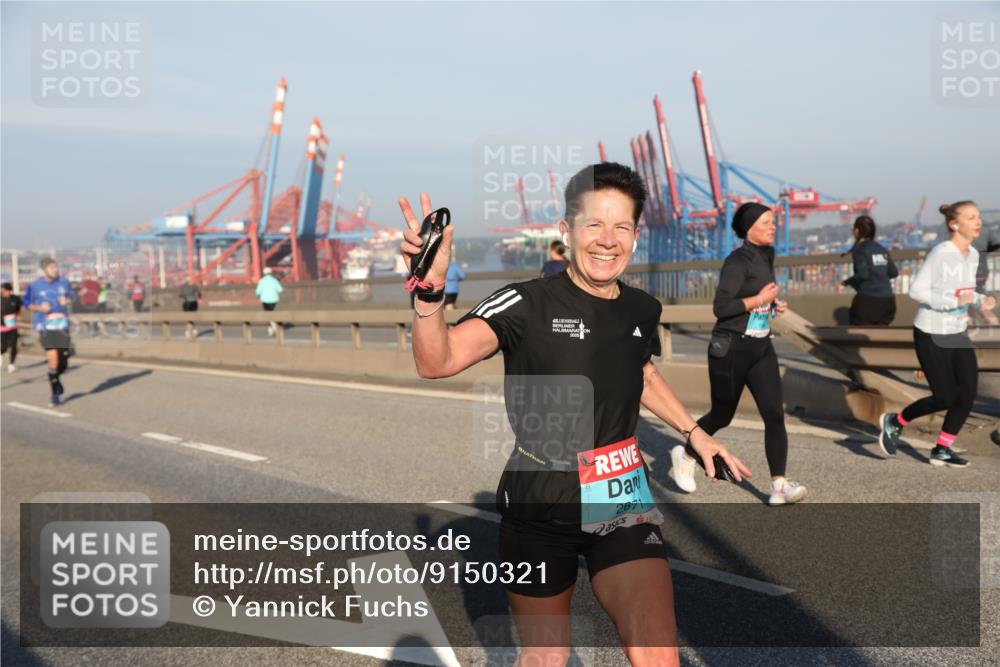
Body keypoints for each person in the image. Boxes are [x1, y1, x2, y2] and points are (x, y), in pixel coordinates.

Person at [399, 163, 750, 666]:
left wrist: (695, 432)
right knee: (546, 658)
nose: (608, 240)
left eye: (622, 227)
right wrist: (430, 292)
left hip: (619, 490)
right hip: (539, 498)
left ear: (635, 235)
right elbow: (437, 361)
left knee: (658, 655)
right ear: (566, 231)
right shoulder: (523, 303)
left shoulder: (641, 309)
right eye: (594, 225)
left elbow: (640, 371)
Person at [670, 202, 806, 506]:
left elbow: (756, 300)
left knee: (774, 415)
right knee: (722, 415)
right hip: (730, 348)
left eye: (773, 222)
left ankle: (779, 485)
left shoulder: (767, 254)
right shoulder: (736, 260)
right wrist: (759, 298)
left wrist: (771, 306)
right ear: (749, 228)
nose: (773, 227)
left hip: (760, 346)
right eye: (767, 223)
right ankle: (686, 452)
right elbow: (722, 308)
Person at [878, 201, 995, 467]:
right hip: (931, 331)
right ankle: (895, 422)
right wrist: (953, 303)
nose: (978, 222)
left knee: (967, 393)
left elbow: (961, 290)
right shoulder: (942, 253)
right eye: (971, 217)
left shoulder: (973, 255)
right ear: (954, 224)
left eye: (978, 217)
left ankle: (942, 448)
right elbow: (917, 291)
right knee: (944, 396)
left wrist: (979, 300)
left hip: (957, 332)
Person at [23, 258, 74, 407]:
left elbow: (72, 296)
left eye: (56, 267)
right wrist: (39, 308)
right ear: (44, 270)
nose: (55, 269)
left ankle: (55, 378)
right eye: (52, 267)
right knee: (53, 358)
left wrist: (68, 301)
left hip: (62, 325)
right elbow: (26, 304)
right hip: (45, 326)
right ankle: (54, 394)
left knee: (64, 361)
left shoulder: (64, 282)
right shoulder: (35, 286)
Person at [840, 215, 898, 325]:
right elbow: (893, 273)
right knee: (880, 338)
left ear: (856, 230)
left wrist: (845, 283)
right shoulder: (881, 249)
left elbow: (863, 274)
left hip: (868, 302)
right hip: (888, 302)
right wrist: (878, 278)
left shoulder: (860, 249)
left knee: (858, 337)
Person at [970, 219, 1000, 325]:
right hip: (982, 270)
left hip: (970, 272)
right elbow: (997, 245)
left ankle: (995, 327)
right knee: (978, 301)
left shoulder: (964, 233)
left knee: (981, 305)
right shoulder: (986, 231)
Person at [255, 267, 283, 336]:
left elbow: (258, 291)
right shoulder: (274, 280)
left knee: (267, 314)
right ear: (271, 273)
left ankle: (271, 328)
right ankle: (273, 325)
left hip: (265, 300)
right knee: (272, 313)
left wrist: (257, 296)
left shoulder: (262, 281)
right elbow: (280, 290)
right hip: (274, 300)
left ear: (264, 273)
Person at [1, 282, 22, 372]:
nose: (7, 292)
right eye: (5, 290)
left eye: (8, 291)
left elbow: (19, 309)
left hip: (12, 326)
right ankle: (1, 354)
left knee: (14, 346)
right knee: (3, 347)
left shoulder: (15, 299)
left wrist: (18, 315)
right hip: (1, 328)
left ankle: (11, 364)